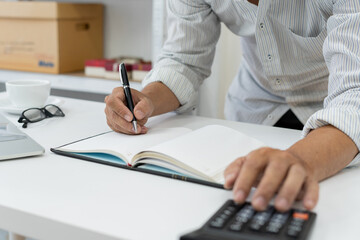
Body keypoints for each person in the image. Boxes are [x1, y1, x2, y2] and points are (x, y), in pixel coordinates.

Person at [105, 0, 359, 212]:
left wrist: (299, 161)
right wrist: (148, 99)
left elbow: (354, 93)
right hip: (255, 109)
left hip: (334, 121)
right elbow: (184, 60)